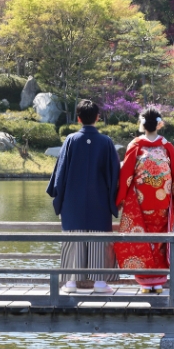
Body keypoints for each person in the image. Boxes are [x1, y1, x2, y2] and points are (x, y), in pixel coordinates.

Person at [113, 107, 174, 293]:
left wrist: (120, 199)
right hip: (162, 203)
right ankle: (158, 282)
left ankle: (145, 283)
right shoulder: (167, 146)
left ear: (142, 124)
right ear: (159, 124)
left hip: (141, 203)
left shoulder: (136, 145)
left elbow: (126, 175)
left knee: (142, 240)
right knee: (160, 242)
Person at [46, 99, 120, 294]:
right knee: (98, 241)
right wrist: (114, 200)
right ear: (97, 118)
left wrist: (58, 196)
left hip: (73, 201)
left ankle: (70, 283)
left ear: (78, 119)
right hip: (100, 202)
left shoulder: (70, 140)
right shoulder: (106, 142)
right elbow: (115, 176)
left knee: (74, 240)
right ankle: (100, 284)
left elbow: (60, 174)